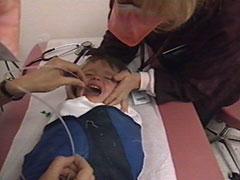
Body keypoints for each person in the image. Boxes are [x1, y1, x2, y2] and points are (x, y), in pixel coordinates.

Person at [96, 0, 240, 125]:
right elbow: (124, 30)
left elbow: (197, 85)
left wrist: (142, 81)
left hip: (216, 72)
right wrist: (104, 59)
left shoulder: (229, 20)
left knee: (186, 128)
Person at [21, 55, 144, 180]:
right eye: (88, 74)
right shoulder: (69, 104)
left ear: (122, 90)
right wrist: (72, 97)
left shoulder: (125, 112)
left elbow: (131, 142)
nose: (96, 77)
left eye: (108, 78)